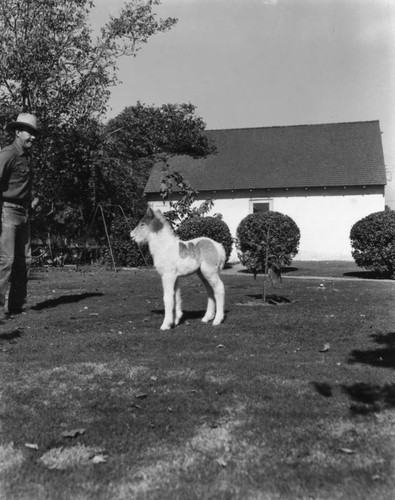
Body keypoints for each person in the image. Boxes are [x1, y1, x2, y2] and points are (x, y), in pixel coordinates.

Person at [0, 113, 40, 319]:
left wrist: (32, 199)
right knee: (5, 261)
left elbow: (22, 184)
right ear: (17, 132)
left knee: (24, 261)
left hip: (23, 213)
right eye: (29, 132)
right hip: (6, 212)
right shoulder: (7, 154)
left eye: (34, 133)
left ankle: (17, 306)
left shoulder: (26, 157)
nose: (32, 137)